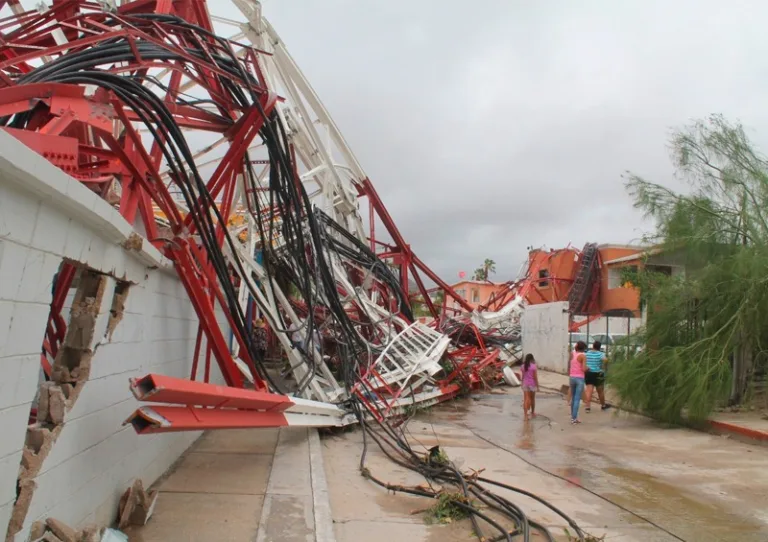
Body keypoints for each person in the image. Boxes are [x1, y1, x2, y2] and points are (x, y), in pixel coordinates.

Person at [585, 340, 610, 412]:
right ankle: (603, 405)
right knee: (600, 391)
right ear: (599, 347)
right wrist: (603, 367)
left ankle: (587, 407)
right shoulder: (601, 354)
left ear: (593, 346)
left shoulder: (587, 353)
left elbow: (583, 361)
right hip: (599, 373)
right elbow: (606, 360)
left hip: (589, 373)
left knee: (589, 390)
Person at [569, 341, 588, 424]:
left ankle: (572, 417)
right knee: (577, 399)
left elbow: (570, 363)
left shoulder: (572, 353)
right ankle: (574, 418)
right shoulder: (583, 356)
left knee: (573, 398)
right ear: (583, 348)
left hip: (572, 377)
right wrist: (588, 368)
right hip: (579, 378)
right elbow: (584, 369)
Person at [521, 353, 539, 420]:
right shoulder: (533, 366)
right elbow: (535, 377)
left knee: (526, 399)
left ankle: (525, 415)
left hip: (525, 384)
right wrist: (538, 385)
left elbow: (523, 376)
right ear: (532, 359)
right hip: (532, 384)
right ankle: (533, 412)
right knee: (532, 399)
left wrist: (521, 382)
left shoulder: (523, 366)